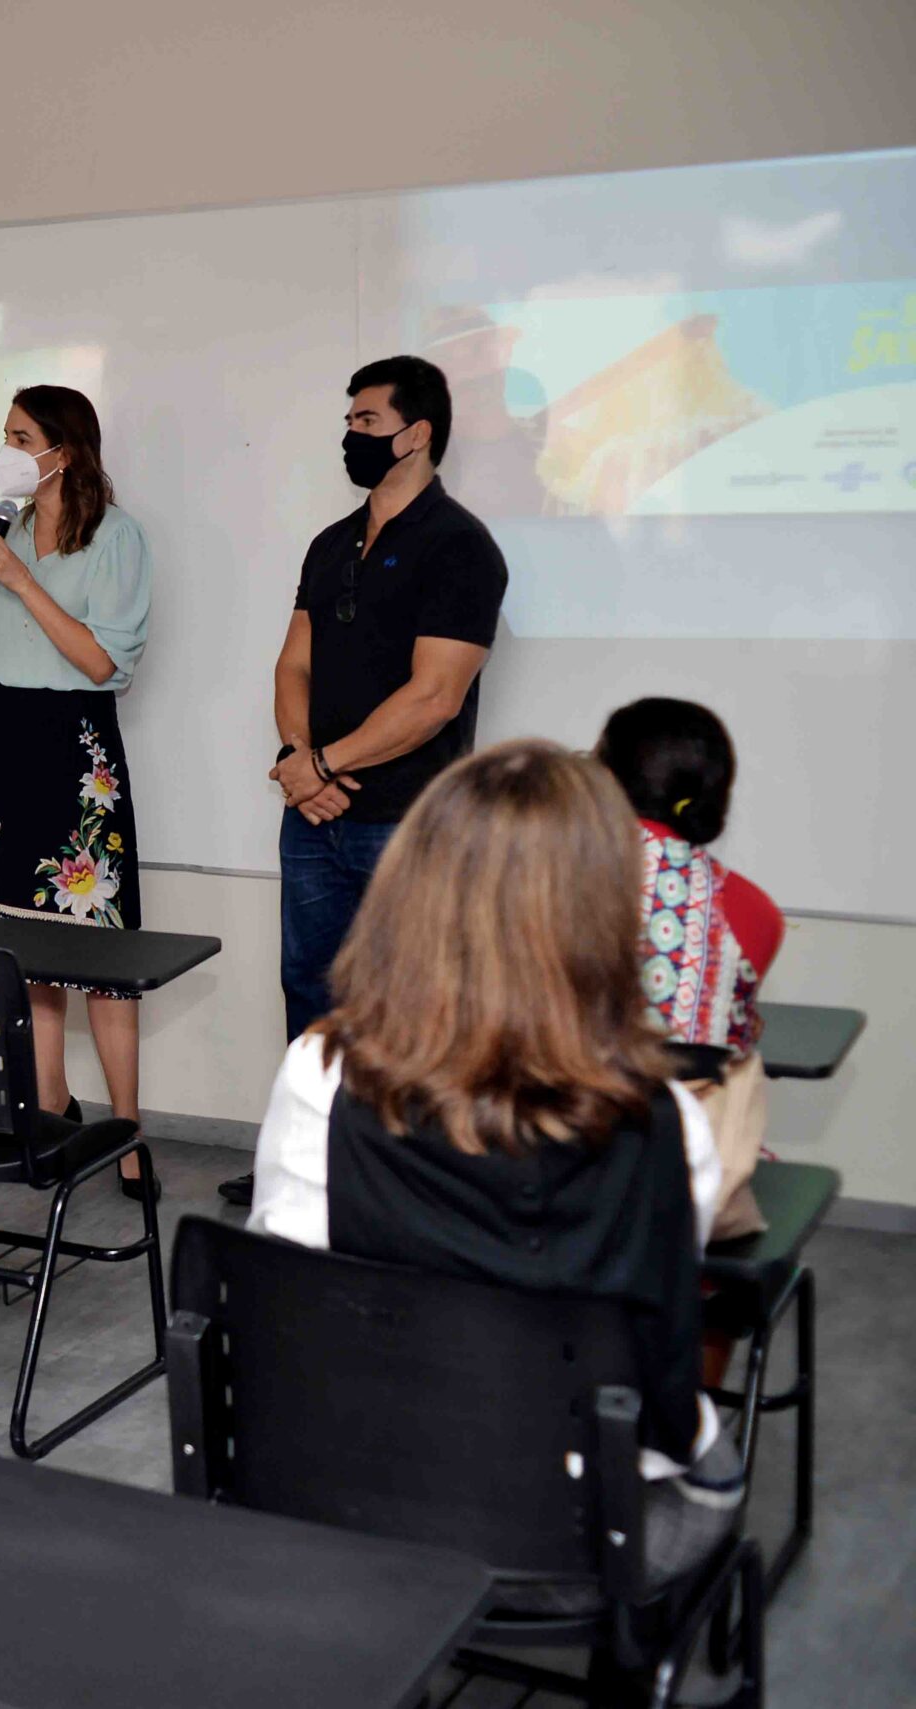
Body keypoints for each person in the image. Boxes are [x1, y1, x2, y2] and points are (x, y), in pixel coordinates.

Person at [245, 741, 742, 1610]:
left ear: (411, 887)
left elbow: (286, 1291)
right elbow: (651, 1330)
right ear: (602, 910)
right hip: (582, 1537)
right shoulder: (667, 1126)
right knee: (711, 1451)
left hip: (355, 1496)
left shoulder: (316, 1076)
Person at [229, 354, 509, 1206]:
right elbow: (293, 665)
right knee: (310, 993)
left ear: (418, 434)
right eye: (349, 422)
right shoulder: (330, 542)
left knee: (413, 1005)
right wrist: (295, 760)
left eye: (368, 423)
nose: (352, 436)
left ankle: (408, 1186)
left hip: (410, 824)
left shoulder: (462, 547)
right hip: (313, 819)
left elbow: (434, 698)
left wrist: (319, 765)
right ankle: (306, 1164)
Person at [0, 386, 153, 1194]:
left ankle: (128, 1132)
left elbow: (103, 663)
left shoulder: (116, 536)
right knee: (21, 944)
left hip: (72, 746)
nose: (8, 449)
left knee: (95, 949)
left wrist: (24, 582)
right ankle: (51, 1100)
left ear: (65, 448)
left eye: (21, 435)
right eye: (5, 434)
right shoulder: (6, 526)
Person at [595, 699, 782, 1056]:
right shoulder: (758, 911)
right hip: (701, 1108)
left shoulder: (553, 878)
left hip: (567, 1106)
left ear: (604, 781)